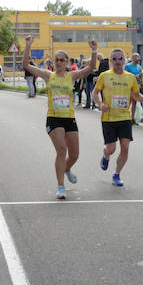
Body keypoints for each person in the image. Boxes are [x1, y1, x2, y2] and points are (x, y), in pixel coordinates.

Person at [23, 35, 98, 199]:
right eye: (56, 60)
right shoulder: (48, 75)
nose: (58, 62)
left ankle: (66, 168)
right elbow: (26, 65)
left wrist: (94, 50)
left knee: (75, 154)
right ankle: (61, 186)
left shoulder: (72, 76)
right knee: (61, 150)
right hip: (54, 118)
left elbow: (91, 68)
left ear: (67, 62)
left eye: (62, 60)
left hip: (69, 117)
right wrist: (28, 45)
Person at [93, 48, 143, 187]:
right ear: (110, 61)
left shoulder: (130, 77)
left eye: (120, 58)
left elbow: (135, 96)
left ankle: (116, 174)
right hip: (108, 118)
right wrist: (99, 104)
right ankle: (106, 155)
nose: (117, 62)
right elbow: (95, 92)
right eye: (114, 59)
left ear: (124, 60)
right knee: (111, 149)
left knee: (125, 148)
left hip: (125, 118)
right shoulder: (104, 76)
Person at [125, 52, 143, 124]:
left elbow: (141, 76)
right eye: (136, 57)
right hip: (129, 87)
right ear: (133, 58)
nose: (138, 58)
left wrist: (142, 85)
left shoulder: (139, 67)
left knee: (135, 102)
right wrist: (134, 76)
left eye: (139, 57)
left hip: (137, 87)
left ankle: (132, 118)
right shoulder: (128, 66)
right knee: (128, 102)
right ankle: (125, 117)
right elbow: (125, 75)